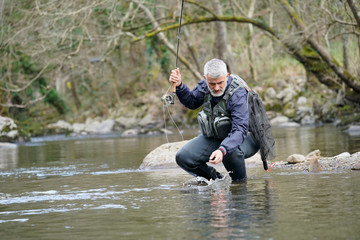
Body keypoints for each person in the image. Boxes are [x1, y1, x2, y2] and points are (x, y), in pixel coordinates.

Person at [169, 58, 259, 181]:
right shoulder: (204, 86)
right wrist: (179, 85)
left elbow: (240, 130)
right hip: (216, 137)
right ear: (205, 78)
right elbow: (191, 102)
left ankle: (240, 185)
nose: (216, 87)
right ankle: (216, 181)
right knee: (183, 157)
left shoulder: (237, 94)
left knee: (230, 152)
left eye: (220, 83)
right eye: (212, 84)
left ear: (227, 76)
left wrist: (222, 150)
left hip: (246, 138)